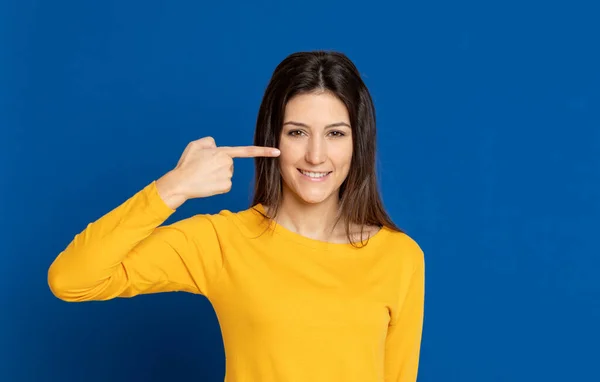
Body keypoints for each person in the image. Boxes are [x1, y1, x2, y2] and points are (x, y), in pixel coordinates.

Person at [47, 50, 425, 382]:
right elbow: (72, 279)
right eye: (297, 132)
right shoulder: (222, 241)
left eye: (335, 134)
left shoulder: (399, 257)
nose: (315, 155)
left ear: (359, 142)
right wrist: (173, 188)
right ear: (272, 138)